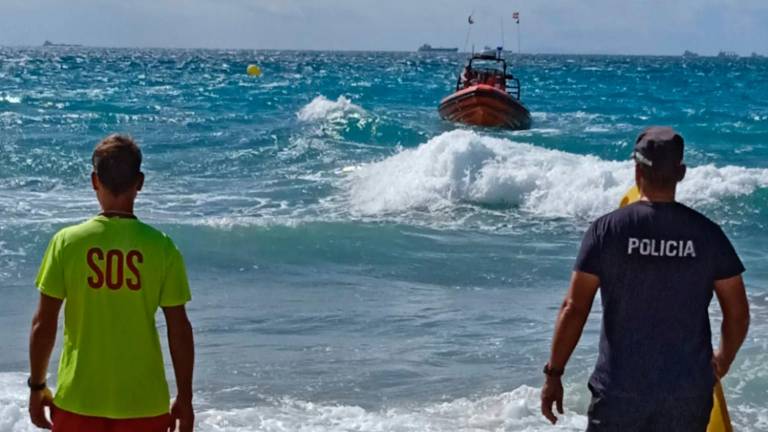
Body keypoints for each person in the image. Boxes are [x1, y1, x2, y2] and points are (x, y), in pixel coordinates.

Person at [540, 127, 750, 431]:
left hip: (618, 392)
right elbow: (738, 313)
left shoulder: (606, 231)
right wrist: (724, 359)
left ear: (637, 170)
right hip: (686, 393)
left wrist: (554, 374)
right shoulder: (708, 234)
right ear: (681, 172)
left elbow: (574, 308)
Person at [28, 134, 195, 432]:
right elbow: (179, 330)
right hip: (144, 403)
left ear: (94, 181)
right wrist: (185, 398)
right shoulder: (162, 247)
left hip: (78, 399)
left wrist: (37, 386)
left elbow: (43, 324)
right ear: (140, 182)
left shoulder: (66, 243)